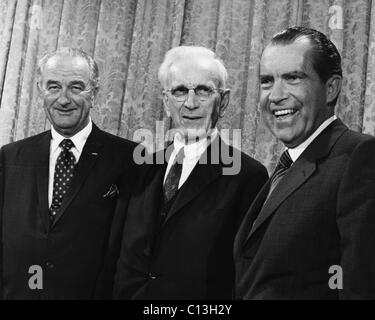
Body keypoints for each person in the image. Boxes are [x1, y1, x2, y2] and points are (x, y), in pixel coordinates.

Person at [113, 46, 268, 299]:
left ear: (224, 101)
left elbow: (246, 273)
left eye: (204, 91)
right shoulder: (139, 170)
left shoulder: (248, 176)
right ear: (166, 102)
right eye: (180, 91)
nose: (191, 103)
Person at [234, 26, 375, 299]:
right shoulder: (285, 167)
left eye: (292, 78)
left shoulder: (360, 157)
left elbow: (361, 285)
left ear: (331, 88)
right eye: (266, 81)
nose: (275, 95)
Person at [0, 48, 137, 299]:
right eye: (53, 87)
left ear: (94, 94)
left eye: (76, 87)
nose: (63, 99)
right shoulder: (10, 157)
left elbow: (131, 253)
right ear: (41, 91)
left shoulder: (129, 159)